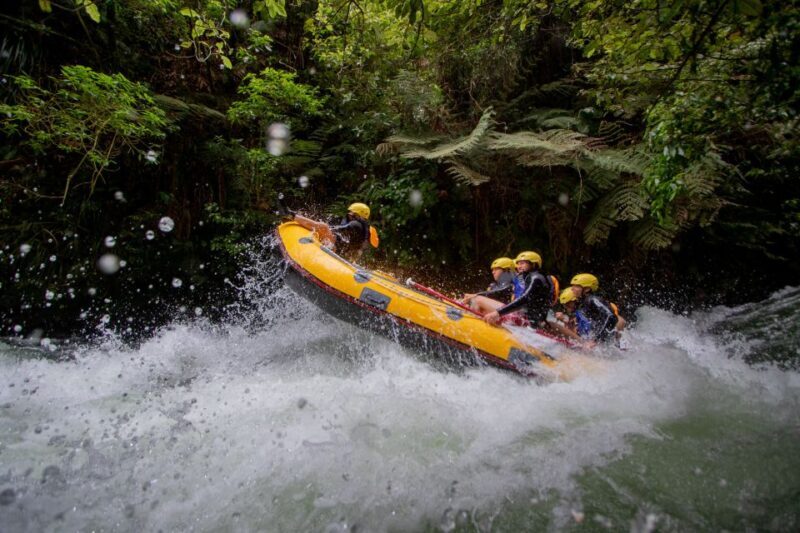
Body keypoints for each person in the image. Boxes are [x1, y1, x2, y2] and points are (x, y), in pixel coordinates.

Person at [283, 199, 379, 261]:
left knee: (324, 227)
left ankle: (292, 215)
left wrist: (326, 228)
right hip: (345, 254)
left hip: (336, 250)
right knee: (324, 228)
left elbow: (338, 229)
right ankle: (294, 216)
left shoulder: (356, 224)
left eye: (351, 213)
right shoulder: (364, 228)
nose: (349, 214)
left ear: (358, 214)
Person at [482, 251, 557, 328]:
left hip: (525, 320)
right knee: (479, 299)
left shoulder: (536, 278)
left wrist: (498, 313)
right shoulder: (532, 277)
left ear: (533, 264)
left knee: (478, 300)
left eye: (523, 263)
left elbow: (524, 299)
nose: (519, 266)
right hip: (530, 319)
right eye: (518, 263)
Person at [569, 273, 621, 343]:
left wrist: (595, 341)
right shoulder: (583, 303)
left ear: (587, 289)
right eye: (573, 286)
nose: (572, 289)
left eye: (577, 286)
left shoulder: (593, 299)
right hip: (596, 340)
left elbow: (611, 317)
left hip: (605, 343)